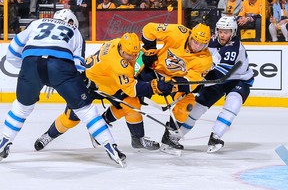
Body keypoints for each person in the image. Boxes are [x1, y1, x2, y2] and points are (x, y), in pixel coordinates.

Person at [0, 9, 125, 167]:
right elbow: (79, 67)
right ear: (71, 21)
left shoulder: (36, 23)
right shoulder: (76, 32)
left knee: (21, 107)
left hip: (30, 64)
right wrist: (83, 84)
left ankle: (4, 142)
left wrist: (27, 67)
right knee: (85, 110)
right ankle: (110, 147)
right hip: (59, 66)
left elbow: (11, 53)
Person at [33, 32, 172, 152]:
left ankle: (137, 139)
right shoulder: (119, 65)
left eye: (135, 54)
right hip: (86, 83)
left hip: (108, 81)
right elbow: (132, 88)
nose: (133, 58)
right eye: (129, 55)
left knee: (131, 103)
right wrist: (153, 87)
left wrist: (146, 60)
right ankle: (48, 136)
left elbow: (131, 69)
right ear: (122, 50)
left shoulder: (117, 43)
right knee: (72, 118)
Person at [178, 16, 254, 153]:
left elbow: (219, 75)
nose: (223, 34)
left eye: (227, 32)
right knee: (197, 108)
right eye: (220, 31)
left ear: (234, 32)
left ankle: (216, 137)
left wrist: (197, 84)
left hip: (238, 80)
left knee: (233, 104)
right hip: (219, 80)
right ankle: (175, 136)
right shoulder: (211, 41)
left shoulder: (234, 48)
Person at [137, 22, 213, 155]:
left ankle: (169, 138)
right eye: (195, 41)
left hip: (173, 82)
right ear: (190, 36)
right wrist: (150, 49)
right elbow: (148, 28)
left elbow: (191, 82)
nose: (197, 46)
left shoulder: (205, 59)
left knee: (187, 103)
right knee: (130, 99)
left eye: (202, 44)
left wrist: (172, 85)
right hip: (155, 71)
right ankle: (109, 122)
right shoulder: (178, 32)